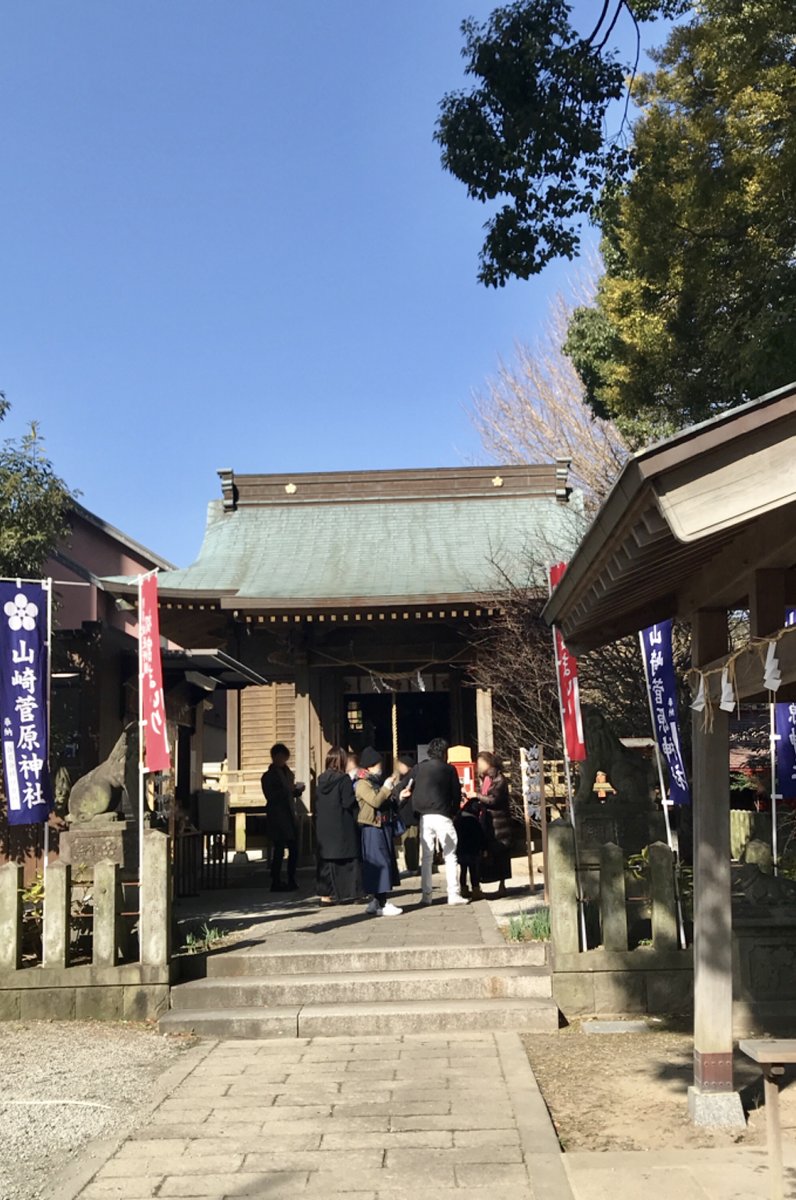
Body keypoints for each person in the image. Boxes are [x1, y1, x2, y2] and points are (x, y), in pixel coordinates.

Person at [411, 737, 469, 906]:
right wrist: (454, 812)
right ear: (444, 753)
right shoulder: (449, 769)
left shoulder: (419, 768)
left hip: (424, 816)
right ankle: (453, 893)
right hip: (442, 814)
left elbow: (408, 786)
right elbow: (456, 794)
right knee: (450, 854)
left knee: (427, 856)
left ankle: (426, 895)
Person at [355, 746, 402, 916]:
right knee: (380, 863)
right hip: (372, 828)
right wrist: (386, 788)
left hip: (382, 825)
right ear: (369, 766)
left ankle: (376, 900)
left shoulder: (374, 782)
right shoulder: (362, 784)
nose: (380, 767)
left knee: (384, 861)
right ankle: (382, 902)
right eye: (377, 765)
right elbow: (375, 801)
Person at [315, 746, 363, 906]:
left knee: (326, 863)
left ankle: (325, 896)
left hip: (324, 827)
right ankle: (353, 894)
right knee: (350, 861)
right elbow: (348, 802)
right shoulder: (343, 780)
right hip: (342, 826)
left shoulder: (321, 779)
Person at [260, 743, 304, 892]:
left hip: (290, 814)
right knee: (279, 849)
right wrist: (288, 790)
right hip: (277, 815)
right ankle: (276, 880)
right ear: (275, 757)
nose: (283, 761)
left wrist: (296, 791)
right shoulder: (268, 776)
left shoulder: (287, 773)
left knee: (293, 849)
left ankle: (292, 878)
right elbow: (271, 796)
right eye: (282, 758)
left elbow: (290, 793)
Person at [476, 751, 513, 897]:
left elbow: (494, 800)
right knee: (490, 852)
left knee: (501, 853)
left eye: (480, 763)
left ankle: (502, 885)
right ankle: (490, 882)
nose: (478, 766)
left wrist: (477, 795)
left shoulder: (499, 779)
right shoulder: (486, 779)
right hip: (489, 820)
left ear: (488, 762)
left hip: (499, 821)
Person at [391, 752, 419, 874]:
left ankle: (413, 867)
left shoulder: (411, 778)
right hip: (405, 815)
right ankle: (411, 866)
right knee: (406, 842)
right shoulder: (405, 778)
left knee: (411, 841)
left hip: (411, 814)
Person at [454, 794, 487, 899]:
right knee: (474, 870)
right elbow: (480, 836)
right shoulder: (474, 820)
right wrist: (484, 848)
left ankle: (463, 889)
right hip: (473, 850)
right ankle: (476, 890)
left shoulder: (459, 819)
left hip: (461, 849)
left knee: (463, 870)